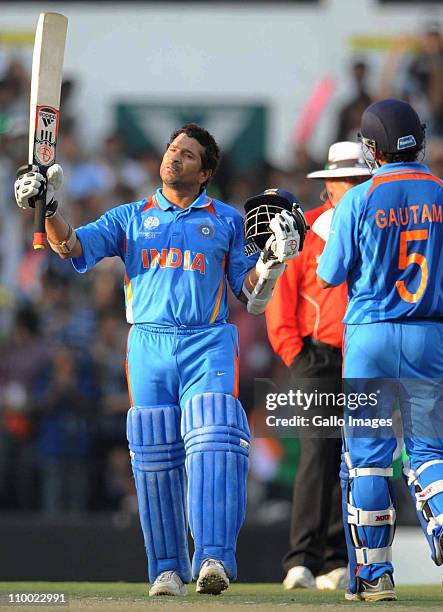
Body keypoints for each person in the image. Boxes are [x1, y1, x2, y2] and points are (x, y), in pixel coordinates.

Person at [14, 123, 304, 597]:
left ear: (205, 171)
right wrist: (47, 208)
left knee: (214, 438)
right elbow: (71, 247)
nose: (175, 158)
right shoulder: (131, 216)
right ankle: (167, 567)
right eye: (173, 150)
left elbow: (249, 297)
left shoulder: (228, 221)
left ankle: (212, 557)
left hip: (206, 340)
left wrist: (270, 265)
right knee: (153, 453)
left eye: (189, 155)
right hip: (148, 344)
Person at [316, 99, 443, 602]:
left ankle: (375, 577)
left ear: (371, 149)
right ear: (419, 140)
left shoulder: (356, 200)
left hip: (369, 339)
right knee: (431, 451)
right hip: (428, 338)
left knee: (368, 460)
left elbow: (329, 276)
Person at [265, 142, 370, 590]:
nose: (354, 189)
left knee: (358, 456)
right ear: (328, 185)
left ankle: (336, 558)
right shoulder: (303, 230)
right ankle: (302, 559)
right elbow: (279, 298)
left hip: (365, 354)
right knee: (317, 454)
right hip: (319, 354)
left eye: (360, 181)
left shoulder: (376, 228)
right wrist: (297, 353)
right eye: (347, 181)